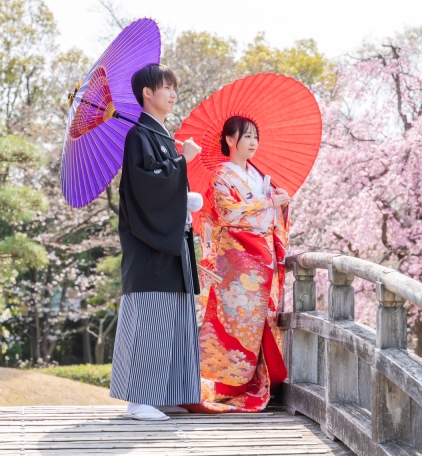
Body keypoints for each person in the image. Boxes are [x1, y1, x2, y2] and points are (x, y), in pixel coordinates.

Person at [109, 63, 203, 421]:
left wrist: (184, 197)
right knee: (151, 318)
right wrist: (183, 162)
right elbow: (148, 188)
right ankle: (140, 399)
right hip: (150, 246)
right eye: (167, 86)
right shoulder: (139, 136)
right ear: (148, 93)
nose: (173, 92)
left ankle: (166, 392)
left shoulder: (160, 135)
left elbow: (167, 183)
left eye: (174, 86)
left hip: (170, 242)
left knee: (174, 318)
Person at [184, 116, 291, 413]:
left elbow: (268, 218)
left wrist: (281, 202)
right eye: (247, 136)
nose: (254, 142)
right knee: (233, 324)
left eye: (256, 136)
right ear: (230, 141)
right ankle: (219, 384)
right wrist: (270, 203)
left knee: (260, 324)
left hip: (262, 257)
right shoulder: (222, 175)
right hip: (238, 264)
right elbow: (228, 214)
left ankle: (257, 382)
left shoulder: (259, 176)